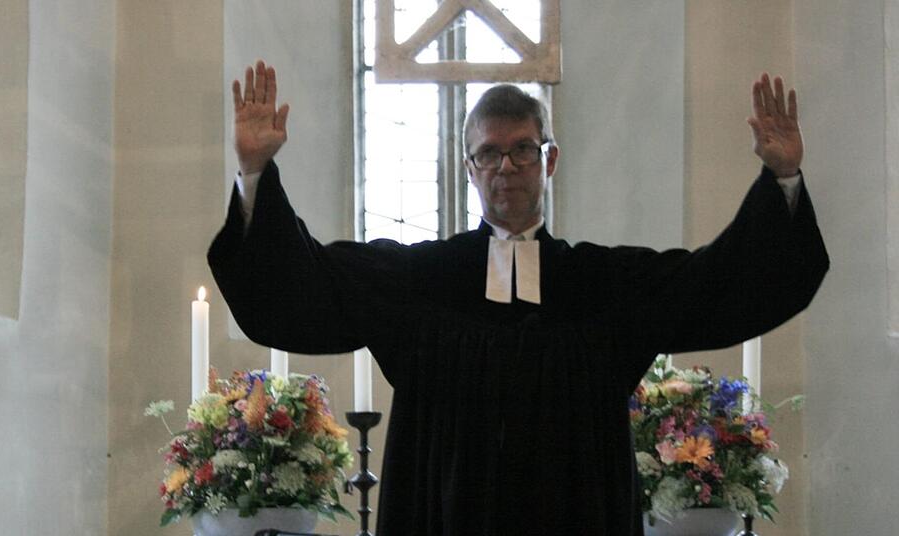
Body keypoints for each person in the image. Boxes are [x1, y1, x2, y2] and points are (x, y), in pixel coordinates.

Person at [208, 60, 828, 535]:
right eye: (489, 153)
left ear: (548, 160)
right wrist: (255, 172)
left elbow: (716, 281)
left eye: (523, 150)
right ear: (469, 167)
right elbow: (307, 281)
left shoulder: (604, 284)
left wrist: (783, 179)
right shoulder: (418, 280)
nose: (506, 167)